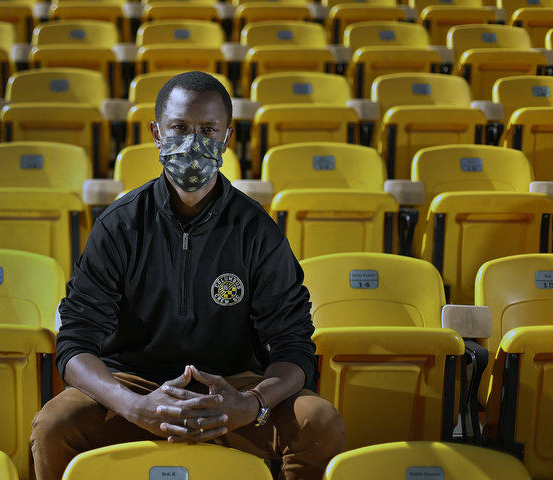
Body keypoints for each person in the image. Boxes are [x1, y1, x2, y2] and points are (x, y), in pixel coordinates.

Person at [30, 71, 346, 480]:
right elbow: (74, 340)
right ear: (157, 133)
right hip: (135, 386)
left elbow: (293, 345)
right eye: (179, 127)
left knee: (318, 422)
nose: (193, 142)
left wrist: (250, 403)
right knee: (53, 426)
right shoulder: (118, 225)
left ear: (227, 138)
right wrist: (131, 405)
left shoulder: (257, 230)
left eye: (207, 130)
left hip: (233, 391)